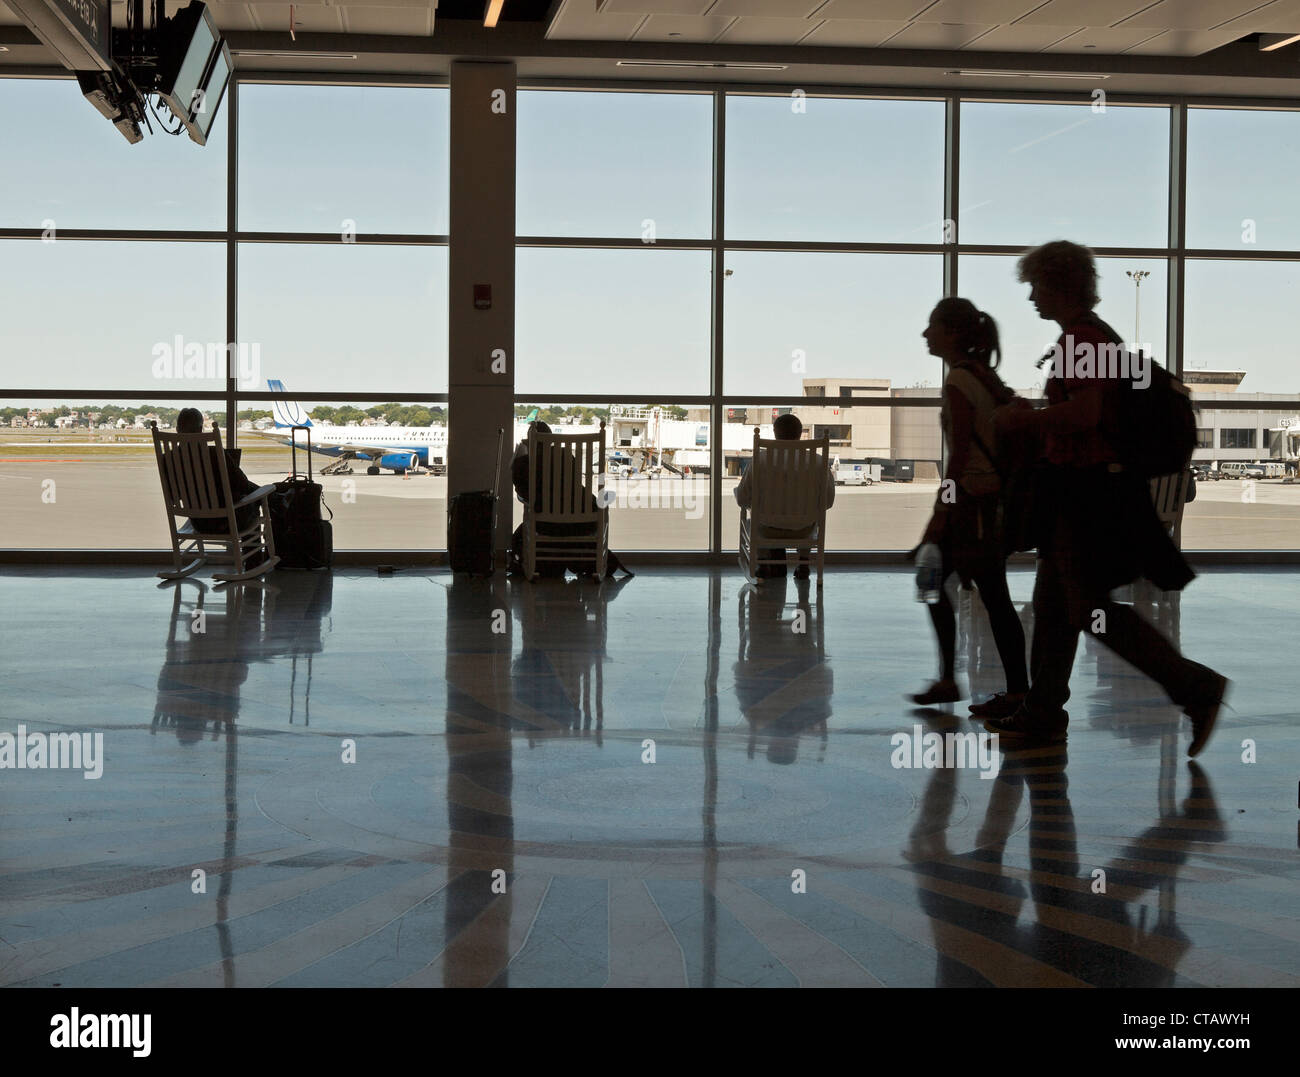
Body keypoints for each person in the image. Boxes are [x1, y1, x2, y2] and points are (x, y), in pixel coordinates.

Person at [987, 240, 1227, 755]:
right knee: (1055, 606)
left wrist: (1025, 420)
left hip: (1085, 493)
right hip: (1079, 490)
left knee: (1086, 607)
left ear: (1057, 285)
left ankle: (1193, 685)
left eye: (1035, 285)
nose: (1030, 297)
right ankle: (1043, 710)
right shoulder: (1094, 338)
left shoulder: (1082, 339)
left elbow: (1087, 414)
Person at [909, 298, 1029, 716]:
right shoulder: (984, 375)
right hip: (986, 501)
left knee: (971, 590)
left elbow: (959, 456)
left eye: (932, 327)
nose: (925, 335)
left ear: (953, 333)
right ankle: (970, 683)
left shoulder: (960, 380)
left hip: (971, 504)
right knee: (946, 582)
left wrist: (939, 514)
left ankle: (1010, 692)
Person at [508, 420, 631, 578]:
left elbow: (522, 493)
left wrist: (520, 460)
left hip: (545, 526)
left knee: (521, 532)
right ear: (551, 440)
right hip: (582, 524)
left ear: (531, 442)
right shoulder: (566, 455)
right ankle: (594, 563)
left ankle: (536, 565)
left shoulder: (527, 462)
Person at [734, 413, 835, 579]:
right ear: (800, 432)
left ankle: (762, 561)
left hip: (767, 529)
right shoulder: (818, 462)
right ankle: (803, 563)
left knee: (753, 520)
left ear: (775, 432)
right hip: (804, 529)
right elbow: (828, 501)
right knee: (812, 521)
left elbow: (743, 499)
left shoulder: (760, 459)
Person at [174, 408, 261, 536]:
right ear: (200, 430)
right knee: (254, 499)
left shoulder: (168, 459)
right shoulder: (215, 454)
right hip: (228, 522)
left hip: (198, 523)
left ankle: (277, 498)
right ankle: (254, 556)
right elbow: (243, 484)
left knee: (250, 491)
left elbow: (174, 495)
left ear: (177, 430)